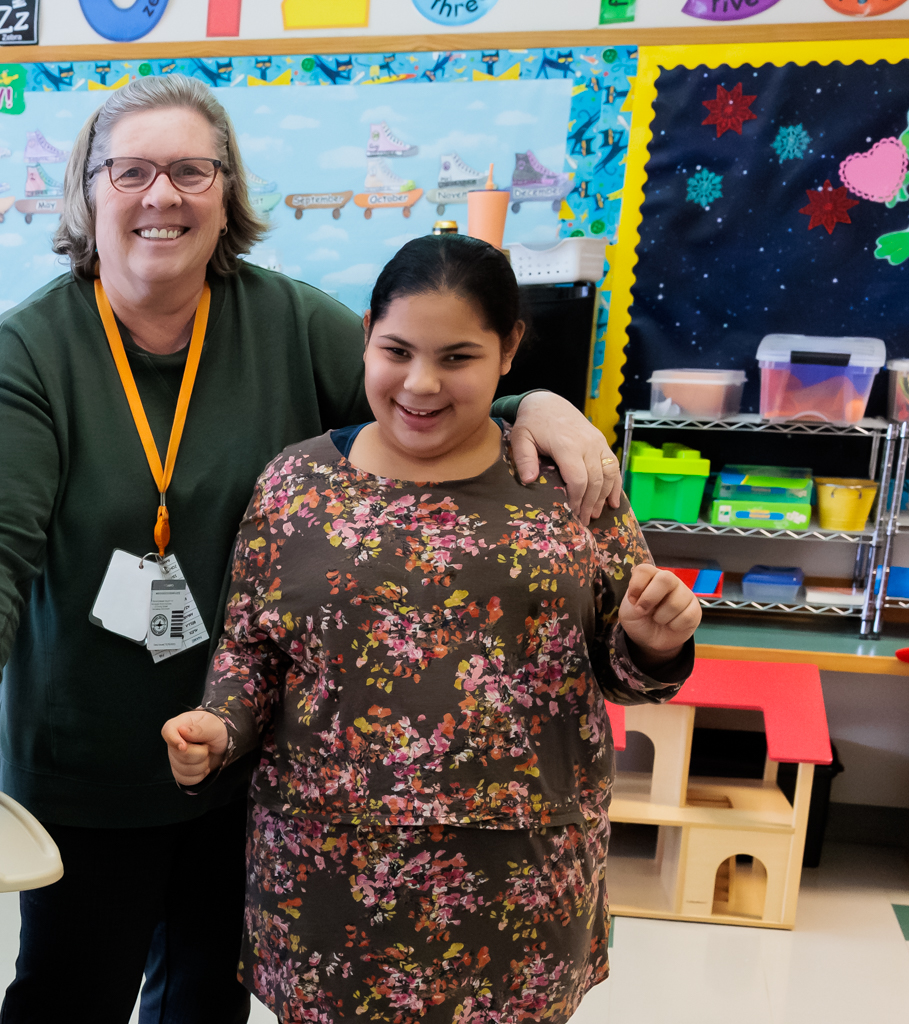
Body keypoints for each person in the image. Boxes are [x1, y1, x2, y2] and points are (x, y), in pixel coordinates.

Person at [0, 75, 629, 1023]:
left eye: (190, 170)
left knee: (207, 998)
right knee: (67, 996)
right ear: (88, 194)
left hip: (258, 764)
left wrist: (529, 402)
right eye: (129, 170)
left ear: (227, 194)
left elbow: (419, 401)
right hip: (90, 760)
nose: (161, 194)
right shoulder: (32, 349)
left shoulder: (290, 322)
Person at [162, 233, 701, 1022]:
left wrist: (656, 640)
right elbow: (252, 651)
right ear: (367, 338)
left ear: (508, 349)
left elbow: (621, 667)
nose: (420, 384)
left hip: (520, 876)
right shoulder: (295, 484)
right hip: (329, 879)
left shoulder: (566, 484)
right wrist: (218, 725)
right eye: (397, 350)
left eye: (457, 357)